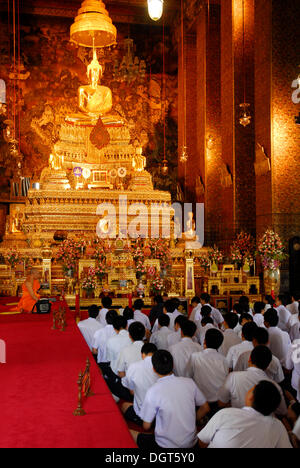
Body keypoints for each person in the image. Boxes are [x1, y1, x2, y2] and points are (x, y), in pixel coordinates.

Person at [131, 350, 210, 449]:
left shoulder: (153, 391)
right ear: (173, 365)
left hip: (164, 445)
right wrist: (192, 420)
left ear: (154, 369)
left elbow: (146, 426)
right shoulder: (189, 382)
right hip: (191, 443)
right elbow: (206, 407)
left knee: (130, 433)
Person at [198, 381, 292, 448]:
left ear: (251, 397)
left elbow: (202, 441)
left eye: (251, 388)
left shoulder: (226, 414)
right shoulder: (277, 427)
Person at [218, 346, 287, 417]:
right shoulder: (275, 386)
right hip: (264, 425)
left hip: (237, 421)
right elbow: (282, 411)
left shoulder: (233, 377)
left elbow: (221, 403)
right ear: (268, 366)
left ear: (249, 359)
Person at [188, 328, 229, 410]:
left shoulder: (195, 356)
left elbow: (189, 376)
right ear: (220, 344)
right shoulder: (224, 360)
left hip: (200, 402)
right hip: (218, 402)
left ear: (204, 341)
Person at [121, 343, 158, 426]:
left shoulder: (134, 367)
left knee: (123, 406)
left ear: (142, 354)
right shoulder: (162, 369)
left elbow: (131, 391)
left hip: (144, 413)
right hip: (161, 414)